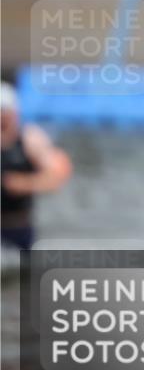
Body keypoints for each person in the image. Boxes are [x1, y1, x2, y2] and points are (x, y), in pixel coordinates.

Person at [1, 82, 72, 251]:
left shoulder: (30, 139)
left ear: (14, 113)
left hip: (16, 227)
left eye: (5, 112)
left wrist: (24, 183)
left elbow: (59, 174)